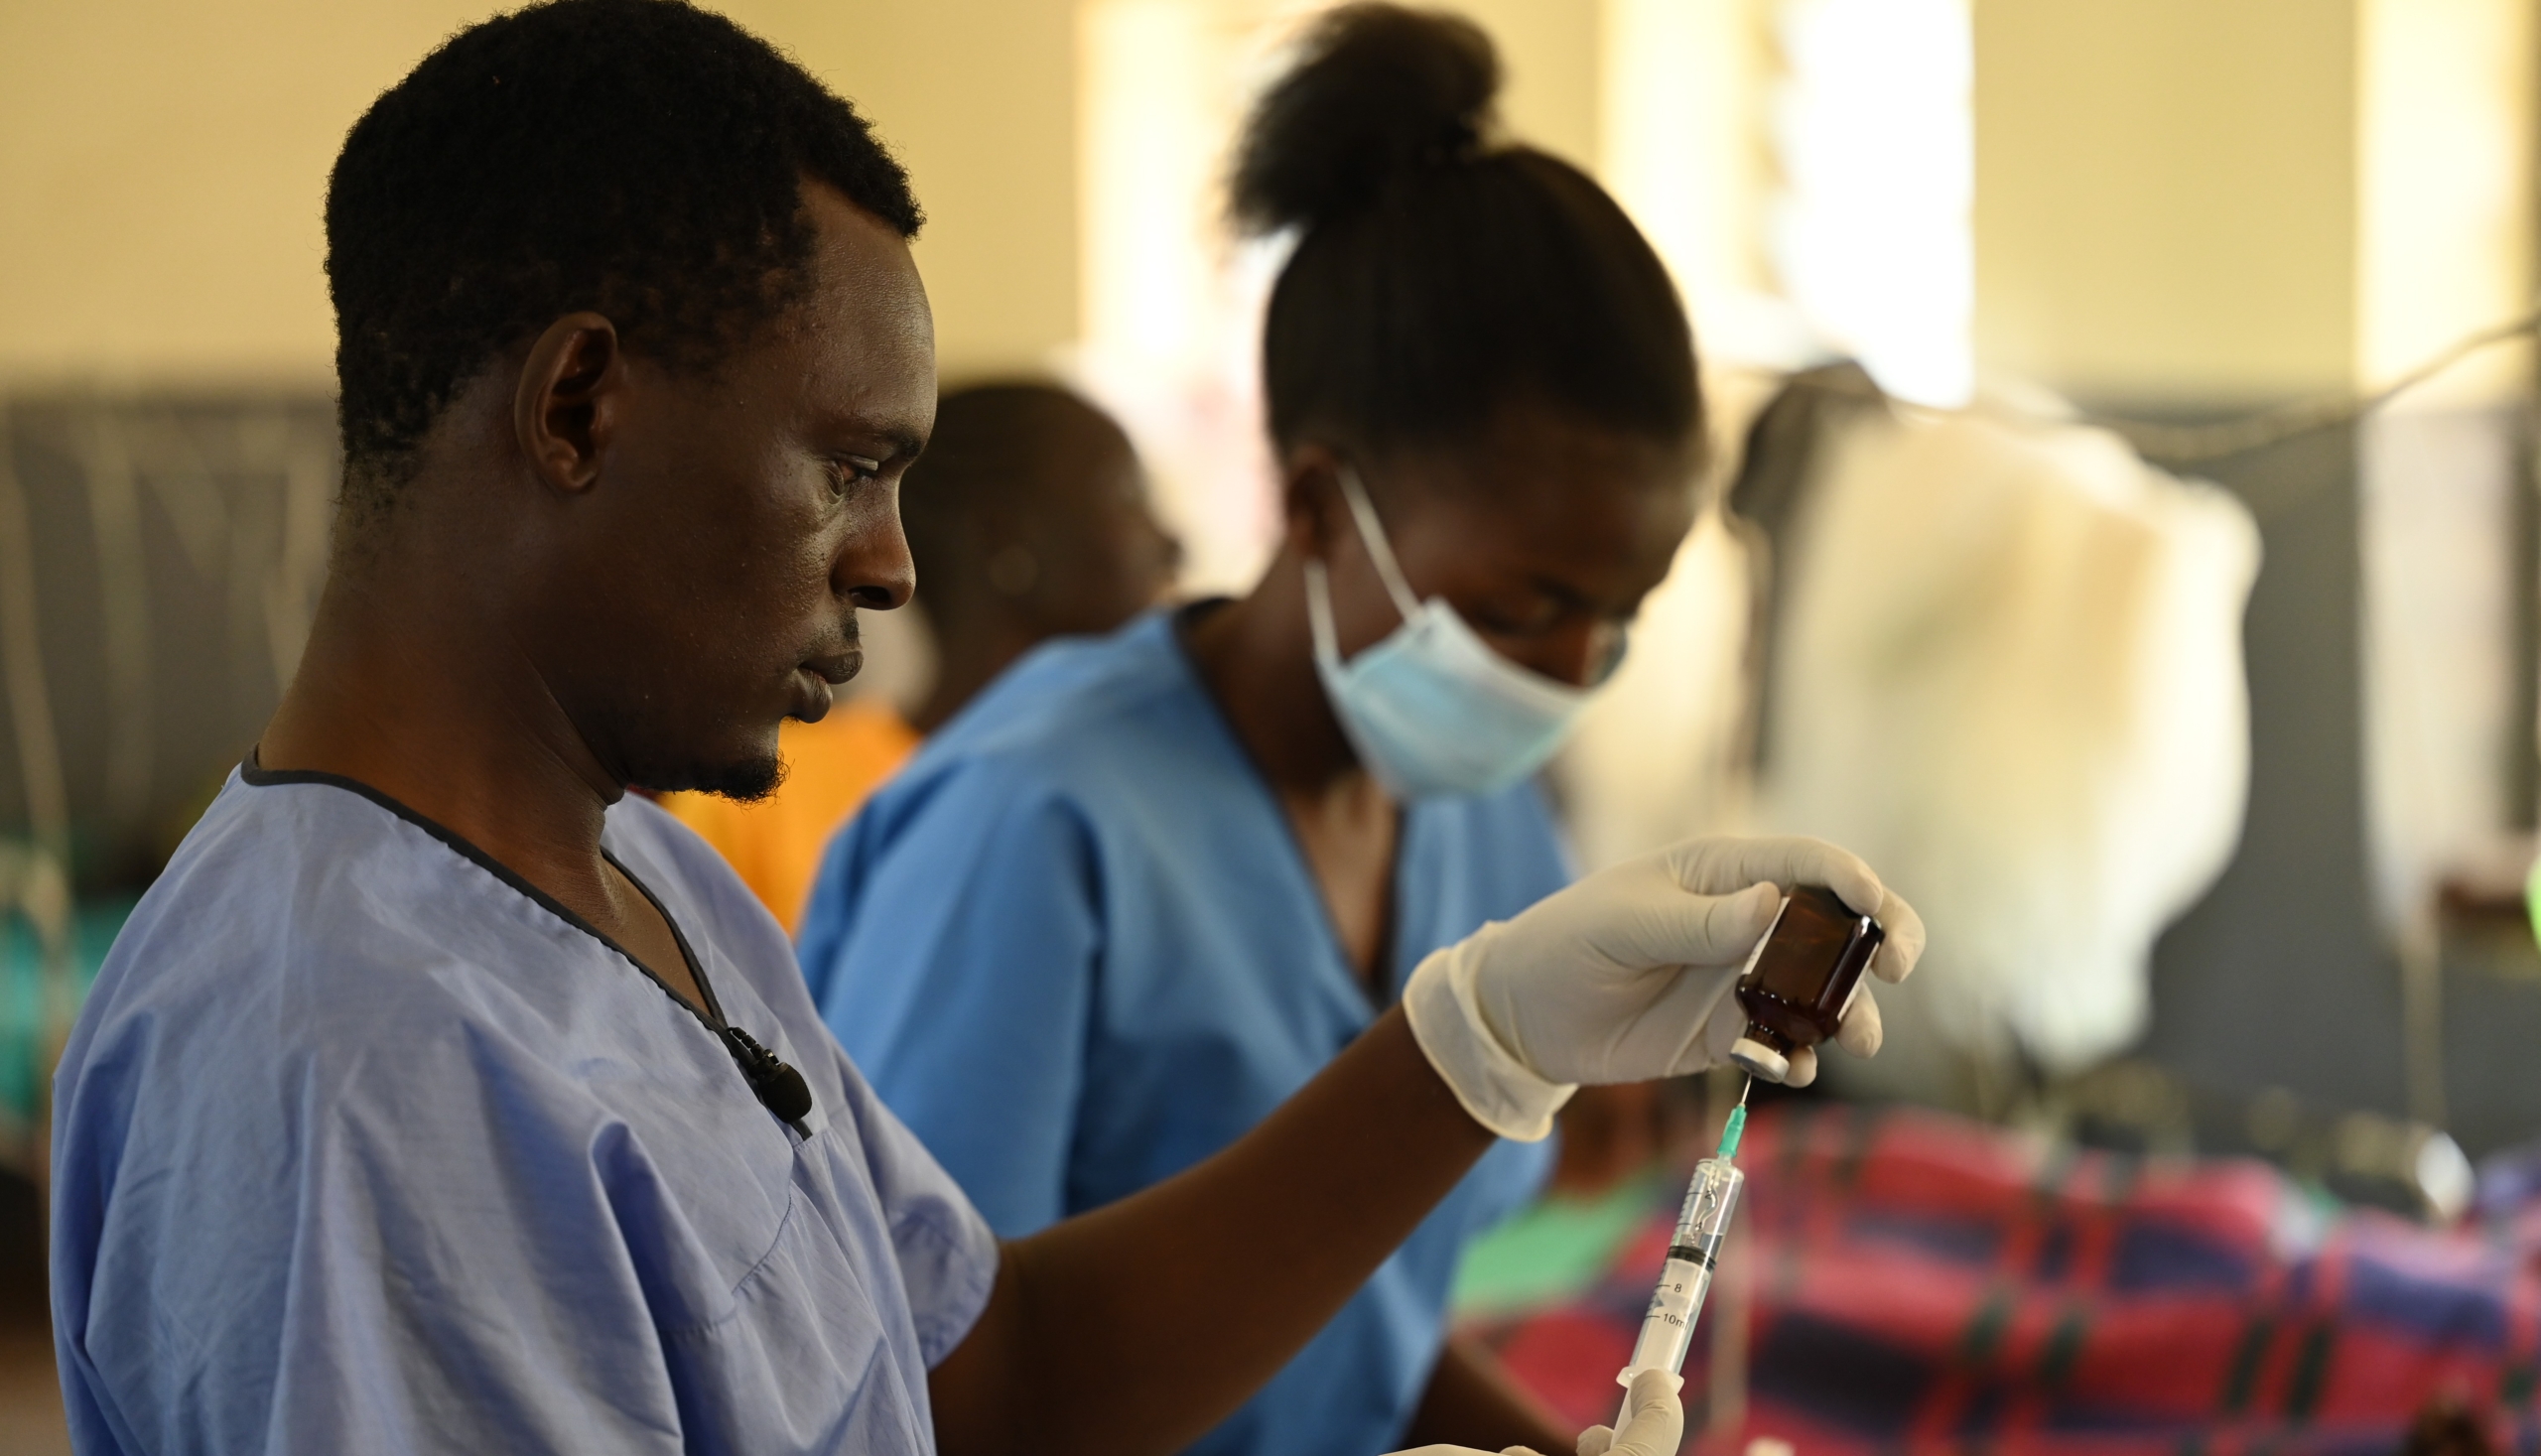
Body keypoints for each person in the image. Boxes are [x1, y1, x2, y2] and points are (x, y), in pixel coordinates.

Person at [47, 3, 1923, 1454]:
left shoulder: (651, 890)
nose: (890, 566)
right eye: (851, 467)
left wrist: (1482, 1037)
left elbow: (983, 1375)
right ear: (580, 408)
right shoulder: (353, 1060)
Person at [794, 9, 1894, 1454]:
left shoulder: (1475, 815)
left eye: (1621, 613)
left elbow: (1351, 1315)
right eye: (1523, 606)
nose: (1573, 671)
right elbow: (912, 1393)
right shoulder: (1029, 824)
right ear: (1317, 507)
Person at [660, 382, 1177, 930]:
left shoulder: (1152, 792)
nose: (1171, 542)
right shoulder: (761, 796)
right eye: (1129, 495)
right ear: (1010, 539)